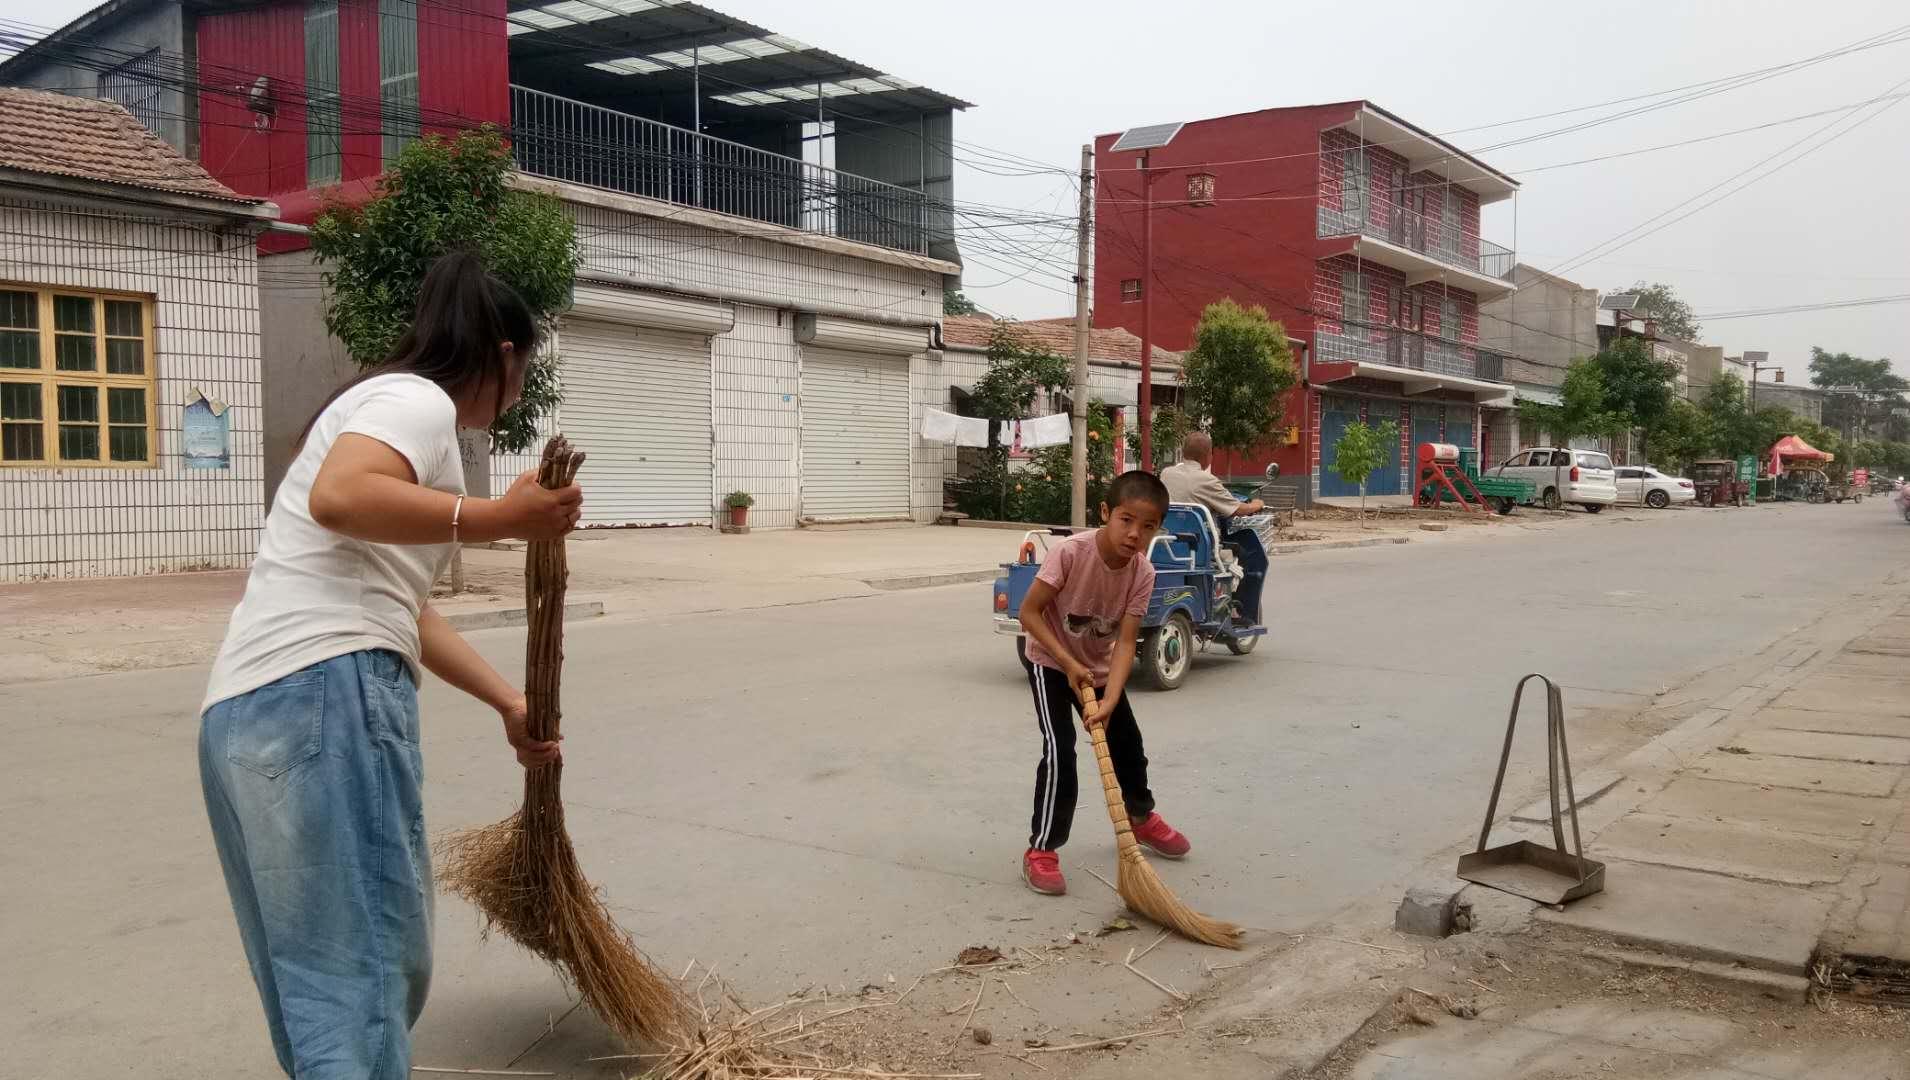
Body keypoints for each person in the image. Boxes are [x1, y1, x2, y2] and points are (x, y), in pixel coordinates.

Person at [197, 251, 583, 1080]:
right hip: (323, 700)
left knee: (320, 991)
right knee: (364, 978)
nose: (517, 398)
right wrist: (495, 517)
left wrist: (507, 701)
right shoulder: (416, 402)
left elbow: (400, 603)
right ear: (507, 355)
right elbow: (341, 496)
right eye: (525, 374)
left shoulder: (374, 403)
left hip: (248, 711)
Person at [1016, 470, 1192, 895]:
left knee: (1128, 743)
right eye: (1126, 520)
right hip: (1049, 661)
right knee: (1061, 750)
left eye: (1148, 526)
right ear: (1105, 514)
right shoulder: (1070, 553)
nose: (1135, 534)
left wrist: (1111, 696)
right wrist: (1067, 663)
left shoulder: (1142, 572)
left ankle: (1140, 816)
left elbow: (1127, 640)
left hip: (1096, 665)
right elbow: (1029, 614)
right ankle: (1042, 849)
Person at [1161, 432, 1261, 590]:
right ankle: (1233, 603)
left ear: (1184, 452)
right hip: (1199, 545)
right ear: (1207, 456)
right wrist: (1257, 504)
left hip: (1168, 540)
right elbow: (1237, 508)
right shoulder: (1206, 480)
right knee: (1244, 553)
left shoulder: (1166, 474)